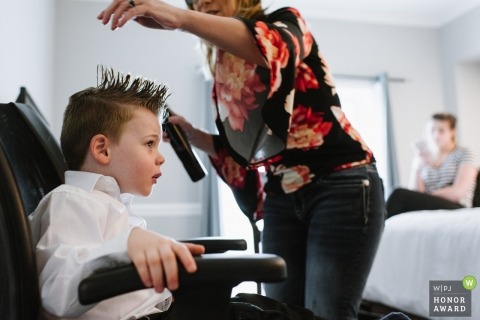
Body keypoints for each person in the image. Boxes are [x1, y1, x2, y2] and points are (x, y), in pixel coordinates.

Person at [98, 1, 386, 319]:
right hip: (282, 195)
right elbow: (247, 153)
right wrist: (192, 134)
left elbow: (273, 49)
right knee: (284, 313)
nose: (202, 2)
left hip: (342, 183)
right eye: (192, 1)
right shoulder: (225, 67)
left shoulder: (287, 21)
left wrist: (180, 18)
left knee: (328, 313)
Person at [29, 67, 206, 319]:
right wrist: (124, 247)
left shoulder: (110, 204)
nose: (161, 157)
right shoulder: (72, 200)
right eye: (149, 143)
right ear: (103, 149)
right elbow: (55, 290)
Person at [386, 113, 478, 218]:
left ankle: (378, 231)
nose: (436, 135)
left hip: (458, 207)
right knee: (400, 199)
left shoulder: (464, 154)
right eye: (432, 130)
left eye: (441, 131)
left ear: (452, 132)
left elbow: (457, 192)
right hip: (431, 205)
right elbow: (417, 192)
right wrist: (416, 167)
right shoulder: (425, 158)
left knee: (399, 195)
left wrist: (425, 197)